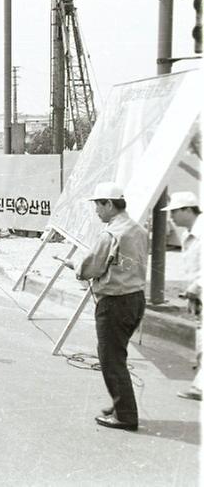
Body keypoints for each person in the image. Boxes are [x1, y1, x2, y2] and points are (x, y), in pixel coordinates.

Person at [59, 182, 148, 431]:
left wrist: (73, 266)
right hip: (136, 299)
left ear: (109, 204)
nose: (96, 211)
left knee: (111, 359)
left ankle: (125, 415)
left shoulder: (111, 234)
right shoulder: (138, 229)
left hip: (115, 302)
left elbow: (90, 268)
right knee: (117, 354)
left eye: (98, 205)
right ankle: (121, 404)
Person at [161, 191, 202, 401]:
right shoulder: (189, 234)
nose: (171, 218)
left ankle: (199, 387)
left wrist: (196, 287)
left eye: (175, 212)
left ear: (188, 209)